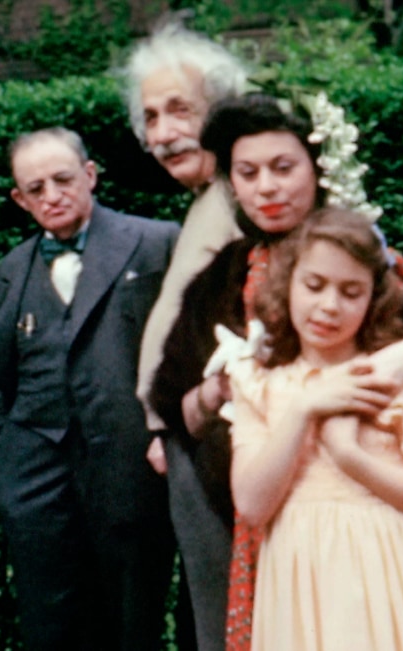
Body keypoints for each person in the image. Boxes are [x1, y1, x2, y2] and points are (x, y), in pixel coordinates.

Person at [150, 92, 403, 650]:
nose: (267, 187)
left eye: (283, 168)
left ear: (317, 168)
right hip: (245, 514)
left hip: (380, 528)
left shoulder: (381, 272)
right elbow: (175, 406)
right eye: (248, 174)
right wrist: (224, 389)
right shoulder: (218, 282)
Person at [226, 206, 403, 650]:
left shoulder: (395, 378)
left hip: (399, 585)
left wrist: (351, 458)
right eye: (314, 286)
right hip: (305, 591)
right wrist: (304, 410)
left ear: (374, 300)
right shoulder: (261, 386)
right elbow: (252, 505)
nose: (329, 306)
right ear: (287, 284)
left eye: (351, 292)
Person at [0, 127, 181, 651]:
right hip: (35, 478)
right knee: (51, 628)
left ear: (89, 176)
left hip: (131, 468)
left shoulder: (158, 243)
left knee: (133, 623)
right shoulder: (7, 275)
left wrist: (169, 433)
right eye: (36, 188)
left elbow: (190, 349)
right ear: (20, 199)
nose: (52, 195)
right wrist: (8, 458)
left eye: (63, 179)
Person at [119, 19, 250, 651]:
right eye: (150, 117)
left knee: (234, 616)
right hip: (192, 439)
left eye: (180, 110)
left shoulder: (244, 195)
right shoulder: (209, 199)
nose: (163, 133)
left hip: (225, 444)